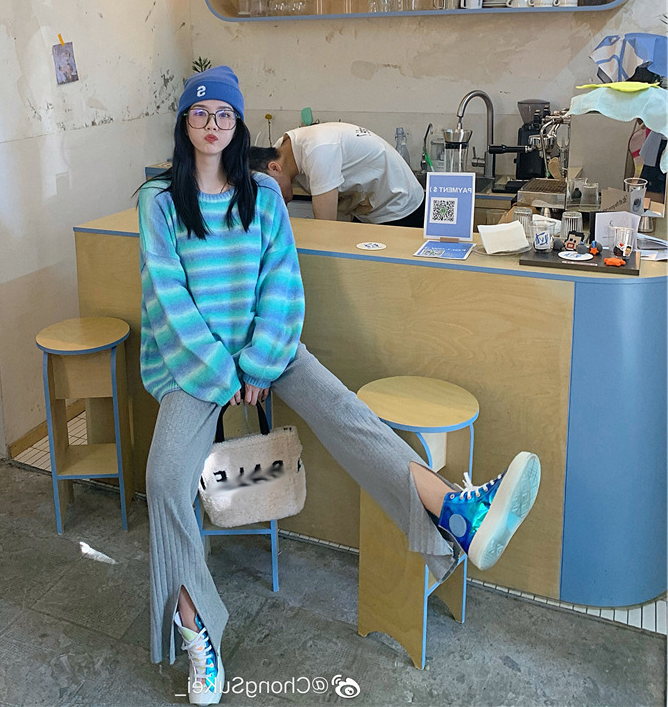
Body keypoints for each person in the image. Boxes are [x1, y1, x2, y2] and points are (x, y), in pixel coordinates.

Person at [138, 66, 541, 705]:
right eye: (200, 113)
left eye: (224, 114)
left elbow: (282, 283)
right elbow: (168, 297)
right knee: (164, 479)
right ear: (184, 123)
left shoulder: (263, 195)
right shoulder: (159, 201)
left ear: (238, 125)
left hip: (264, 351)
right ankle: (199, 634)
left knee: (347, 414)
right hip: (194, 365)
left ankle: (456, 513)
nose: (212, 124)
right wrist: (223, 372)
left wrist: (258, 363)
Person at [249, 122, 425, 226]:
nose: (269, 196)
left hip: (399, 205)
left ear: (274, 168)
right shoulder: (283, 151)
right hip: (367, 209)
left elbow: (326, 227)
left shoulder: (319, 151)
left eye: (267, 187)